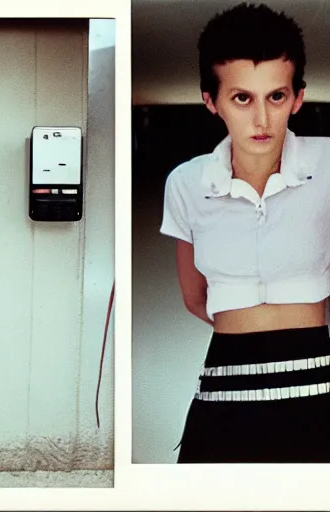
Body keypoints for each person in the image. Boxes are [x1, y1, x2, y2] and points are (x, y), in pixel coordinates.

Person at [160, 2, 330, 462]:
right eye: (242, 98)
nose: (262, 120)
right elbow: (194, 296)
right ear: (211, 101)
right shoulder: (186, 184)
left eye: (276, 96)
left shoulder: (329, 167)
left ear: (297, 97)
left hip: (318, 385)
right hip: (226, 389)